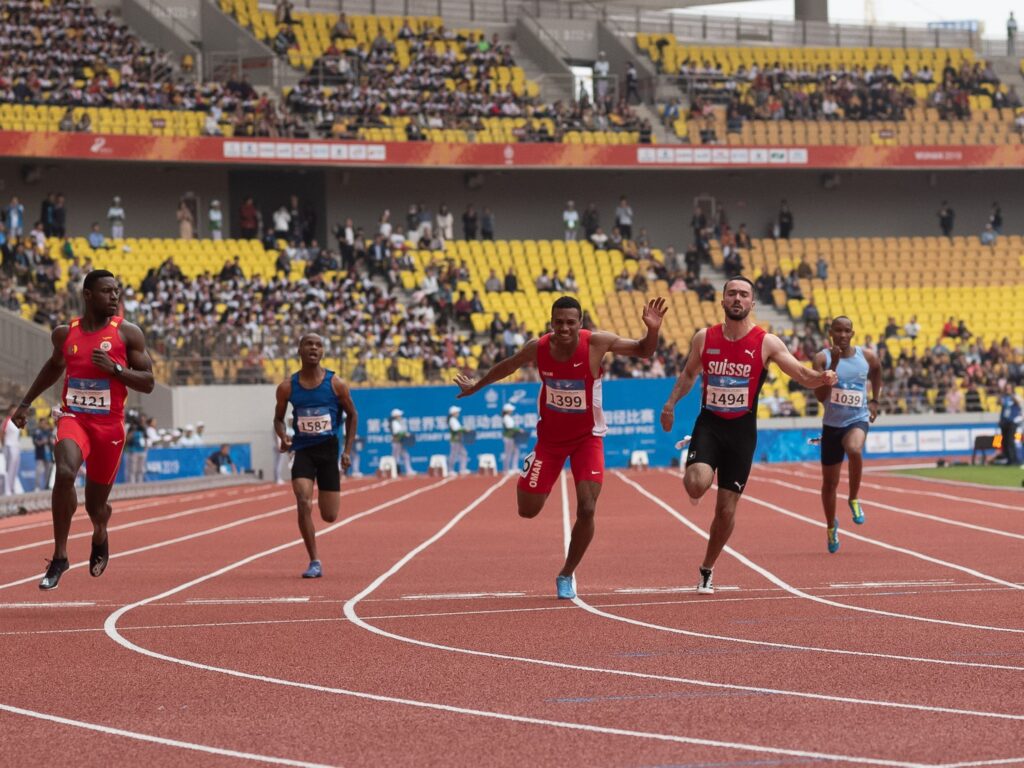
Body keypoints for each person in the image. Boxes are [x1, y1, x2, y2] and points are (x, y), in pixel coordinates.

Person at [455, 295, 668, 599]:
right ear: (551, 322)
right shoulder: (539, 347)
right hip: (550, 442)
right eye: (559, 323)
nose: (564, 328)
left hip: (587, 439)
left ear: (580, 323)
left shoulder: (596, 343)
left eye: (571, 322)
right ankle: (534, 467)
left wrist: (653, 330)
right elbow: (508, 366)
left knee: (588, 506)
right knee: (527, 510)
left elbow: (644, 350)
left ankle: (566, 573)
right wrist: (476, 387)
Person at [659, 277, 836, 595]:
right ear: (723, 300)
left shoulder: (766, 342)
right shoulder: (705, 337)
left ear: (752, 303)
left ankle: (707, 568)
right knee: (696, 481)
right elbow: (688, 375)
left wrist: (822, 378)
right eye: (732, 294)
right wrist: (670, 404)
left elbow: (801, 374)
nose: (737, 299)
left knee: (726, 510)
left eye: (744, 295)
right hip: (710, 423)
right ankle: (698, 483)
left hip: (742, 432)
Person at [11, 270, 155, 590]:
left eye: (117, 291)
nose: (114, 297)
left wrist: (116, 370)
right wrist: (25, 403)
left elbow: (149, 382)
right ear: (88, 295)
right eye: (107, 291)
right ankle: (60, 555)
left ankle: (100, 531)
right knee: (64, 472)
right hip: (74, 417)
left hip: (109, 427)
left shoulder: (129, 334)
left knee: (95, 506)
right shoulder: (66, 334)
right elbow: (53, 366)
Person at [274, 333, 359, 578]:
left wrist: (347, 451)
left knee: (329, 515)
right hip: (302, 450)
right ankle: (314, 561)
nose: (314, 348)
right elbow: (278, 418)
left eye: (318, 345)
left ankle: (316, 555)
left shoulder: (336, 384)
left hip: (328, 451)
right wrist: (283, 437)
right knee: (302, 501)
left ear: (323, 352)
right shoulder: (287, 387)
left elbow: (352, 415)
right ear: (300, 350)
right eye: (309, 344)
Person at [811, 316, 882, 553]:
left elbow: (877, 371)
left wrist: (874, 401)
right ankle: (831, 526)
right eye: (838, 330)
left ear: (853, 333)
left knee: (854, 449)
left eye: (847, 331)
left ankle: (853, 498)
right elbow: (821, 397)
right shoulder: (822, 358)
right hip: (832, 425)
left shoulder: (867, 357)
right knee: (829, 484)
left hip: (857, 419)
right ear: (830, 332)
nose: (842, 335)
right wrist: (833, 365)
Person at [997, 382, 1023, 466]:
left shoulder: (1015, 396)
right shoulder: (1004, 397)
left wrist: (1013, 397)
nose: (1008, 389)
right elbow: (999, 403)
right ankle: (1008, 459)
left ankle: (1014, 460)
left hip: (1012, 421)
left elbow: (1020, 403)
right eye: (1006, 388)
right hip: (1004, 421)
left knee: (1010, 441)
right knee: (1004, 441)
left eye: (1009, 388)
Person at [2, 406, 22, 495]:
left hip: (16, 446)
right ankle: (7, 490)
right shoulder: (7, 420)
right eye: (13, 410)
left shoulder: (17, 421)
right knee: (9, 469)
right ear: (9, 411)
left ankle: (12, 487)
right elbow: (2, 432)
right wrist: (4, 445)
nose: (15, 411)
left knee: (15, 469)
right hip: (9, 446)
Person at [388, 408, 415, 475]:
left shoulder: (398, 423)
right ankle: (395, 471)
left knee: (406, 456)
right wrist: (404, 434)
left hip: (400, 442)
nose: (401, 416)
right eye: (399, 415)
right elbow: (396, 433)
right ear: (396, 416)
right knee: (395, 457)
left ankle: (408, 470)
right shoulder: (394, 423)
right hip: (396, 442)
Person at [32, 415, 55, 491]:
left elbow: (52, 441)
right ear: (39, 423)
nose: (44, 424)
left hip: (48, 454)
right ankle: (37, 487)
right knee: (39, 471)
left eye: (45, 423)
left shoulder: (48, 432)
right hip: (40, 454)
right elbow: (36, 442)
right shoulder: (37, 431)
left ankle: (46, 486)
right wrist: (42, 442)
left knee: (48, 471)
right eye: (42, 423)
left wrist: (49, 440)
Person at [501, 402, 523, 474]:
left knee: (516, 451)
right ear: (508, 410)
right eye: (511, 410)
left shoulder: (509, 417)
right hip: (508, 438)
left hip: (513, 437)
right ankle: (506, 469)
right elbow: (510, 427)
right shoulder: (506, 418)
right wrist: (518, 430)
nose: (512, 411)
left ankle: (514, 468)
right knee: (508, 453)